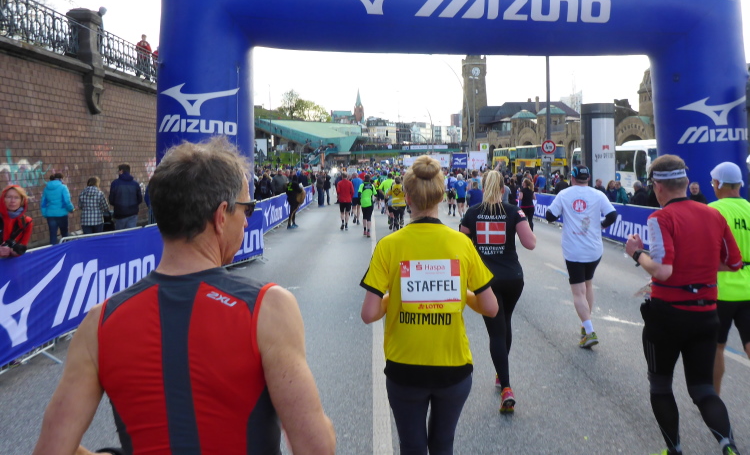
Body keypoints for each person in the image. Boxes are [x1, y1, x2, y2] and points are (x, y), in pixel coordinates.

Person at [32, 137, 336, 455]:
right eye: (247, 208)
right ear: (221, 216)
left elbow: (52, 449)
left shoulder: (99, 322)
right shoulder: (268, 307)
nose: (248, 221)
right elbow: (315, 446)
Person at [360, 155, 498, 455]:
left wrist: (394, 297)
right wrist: (460, 294)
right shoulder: (461, 244)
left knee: (412, 447)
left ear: (407, 198)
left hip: (405, 368)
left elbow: (369, 314)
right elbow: (491, 308)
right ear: (442, 196)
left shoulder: (389, 245)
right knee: (443, 444)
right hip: (453, 366)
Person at [624, 155, 742, 455]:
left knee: (661, 385)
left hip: (667, 315)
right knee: (703, 389)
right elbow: (734, 263)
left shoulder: (661, 218)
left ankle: (674, 449)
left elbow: (663, 270)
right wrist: (699, 265)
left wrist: (636, 253)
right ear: (686, 182)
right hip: (706, 314)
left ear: (657, 187)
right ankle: (729, 446)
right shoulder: (714, 215)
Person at [460, 170, 535, 413]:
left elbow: (461, 246)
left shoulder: (472, 213)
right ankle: (501, 375)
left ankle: (506, 387)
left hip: (486, 281)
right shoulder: (514, 211)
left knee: (496, 332)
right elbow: (530, 243)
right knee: (505, 322)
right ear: (504, 190)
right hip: (513, 278)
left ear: (483, 188)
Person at [546, 165, 618, 348]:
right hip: (594, 249)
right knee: (588, 285)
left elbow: (549, 216)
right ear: (589, 178)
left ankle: (590, 330)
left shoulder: (564, 194)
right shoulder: (598, 194)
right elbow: (612, 215)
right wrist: (601, 226)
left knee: (578, 292)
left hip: (574, 249)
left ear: (572, 178)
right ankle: (585, 327)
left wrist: (566, 214)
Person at [707, 162, 750, 396]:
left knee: (716, 347)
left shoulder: (713, 210)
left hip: (721, 288)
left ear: (719, 183)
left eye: (713, 182)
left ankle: (713, 399)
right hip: (748, 288)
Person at [41, 173, 75, 245]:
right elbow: (67, 201)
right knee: (64, 234)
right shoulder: (63, 187)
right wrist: (71, 209)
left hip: (50, 214)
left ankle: (53, 249)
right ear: (61, 179)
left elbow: (43, 203)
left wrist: (45, 214)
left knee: (53, 235)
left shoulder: (46, 189)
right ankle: (65, 249)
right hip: (62, 214)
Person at [1, 184, 33, 258]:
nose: (12, 201)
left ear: (22, 201)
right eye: (9, 197)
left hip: (13, 261)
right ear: (3, 199)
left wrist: (15, 252)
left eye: (16, 197)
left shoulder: (26, 222)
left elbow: (22, 246)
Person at [109, 164, 142, 230]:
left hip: (120, 213)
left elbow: (111, 200)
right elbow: (140, 199)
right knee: (131, 233)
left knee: (120, 234)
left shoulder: (115, 183)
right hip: (133, 213)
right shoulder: (135, 184)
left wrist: (117, 205)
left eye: (118, 171)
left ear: (121, 171)